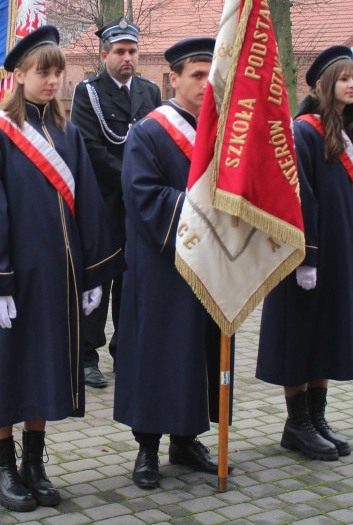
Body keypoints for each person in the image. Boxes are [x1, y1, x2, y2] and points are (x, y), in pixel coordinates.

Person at [0, 25, 123, 513]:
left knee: (44, 365)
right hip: (8, 278)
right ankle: (1, 466)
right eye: (43, 72)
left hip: (55, 278)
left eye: (57, 72)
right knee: (3, 367)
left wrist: (92, 274)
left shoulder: (68, 134)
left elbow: (88, 204)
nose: (52, 81)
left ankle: (34, 463)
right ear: (19, 76)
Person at [255, 45, 353, 461]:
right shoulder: (303, 132)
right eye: (344, 79)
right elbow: (300, 198)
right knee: (301, 336)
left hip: (345, 257)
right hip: (307, 258)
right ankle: (297, 424)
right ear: (324, 86)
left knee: (328, 334)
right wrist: (306, 257)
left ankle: (316, 418)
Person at [114, 38, 233, 489]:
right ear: (174, 79)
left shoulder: (223, 131)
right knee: (158, 352)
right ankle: (147, 446)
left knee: (200, 350)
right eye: (197, 75)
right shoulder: (149, 132)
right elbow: (142, 196)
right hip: (161, 262)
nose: (205, 84)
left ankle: (187, 439)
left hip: (213, 263)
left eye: (212, 75)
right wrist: (203, 206)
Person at [69, 17, 161, 388]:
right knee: (98, 278)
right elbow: (90, 147)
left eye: (132, 51)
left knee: (133, 280)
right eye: (120, 51)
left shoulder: (150, 92)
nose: (127, 58)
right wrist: (133, 181)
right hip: (104, 202)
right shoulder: (88, 92)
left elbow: (158, 141)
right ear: (105, 54)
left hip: (140, 206)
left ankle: (127, 352)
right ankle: (86, 356)